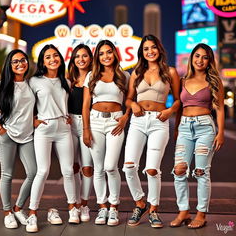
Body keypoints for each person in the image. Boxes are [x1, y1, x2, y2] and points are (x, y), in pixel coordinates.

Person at [123, 34, 180, 228]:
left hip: (159, 121)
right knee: (129, 166)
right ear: (142, 52)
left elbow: (179, 99)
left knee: (152, 169)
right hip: (138, 122)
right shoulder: (136, 72)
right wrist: (133, 104)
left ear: (159, 49)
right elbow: (128, 98)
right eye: (146, 49)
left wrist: (170, 110)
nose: (150, 52)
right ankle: (140, 203)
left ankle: (154, 209)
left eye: (153, 47)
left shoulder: (169, 72)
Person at [170, 43, 224, 229]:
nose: (200, 60)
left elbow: (220, 109)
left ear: (210, 61)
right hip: (184, 127)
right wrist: (176, 128)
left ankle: (201, 214)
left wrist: (221, 133)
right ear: (192, 58)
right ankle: (183, 211)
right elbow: (178, 107)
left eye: (205, 57)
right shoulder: (183, 80)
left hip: (205, 128)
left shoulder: (214, 82)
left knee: (201, 172)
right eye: (197, 56)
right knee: (179, 171)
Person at [26, 44, 78, 233]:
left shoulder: (66, 81)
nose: (52, 59)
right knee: (43, 170)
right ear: (42, 61)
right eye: (48, 57)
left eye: (55, 55)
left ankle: (73, 208)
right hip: (44, 128)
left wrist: (69, 117)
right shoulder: (34, 81)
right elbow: (25, 104)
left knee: (68, 170)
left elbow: (68, 103)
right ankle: (32, 213)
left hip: (63, 128)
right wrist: (33, 120)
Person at [82, 40, 130, 226]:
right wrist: (86, 129)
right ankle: (102, 207)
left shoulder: (124, 75)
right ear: (97, 57)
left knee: (111, 166)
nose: (105, 56)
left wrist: (126, 117)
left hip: (115, 122)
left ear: (115, 54)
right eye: (101, 53)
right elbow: (86, 105)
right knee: (99, 168)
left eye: (109, 52)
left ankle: (114, 207)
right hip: (94, 122)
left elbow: (130, 100)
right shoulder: (91, 75)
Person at [0, 49, 37, 229]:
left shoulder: (31, 84)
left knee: (34, 172)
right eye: (15, 61)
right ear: (9, 65)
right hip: (6, 134)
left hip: (27, 135)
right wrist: (1, 129)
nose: (20, 64)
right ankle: (7, 212)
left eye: (22, 60)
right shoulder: (1, 86)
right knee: (7, 174)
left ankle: (18, 207)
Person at [67, 44, 94, 222]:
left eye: (85, 56)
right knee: (72, 168)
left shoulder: (94, 79)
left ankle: (84, 204)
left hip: (88, 124)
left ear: (90, 59)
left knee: (87, 168)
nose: (81, 59)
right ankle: (74, 205)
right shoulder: (67, 80)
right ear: (73, 59)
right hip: (69, 125)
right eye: (77, 56)